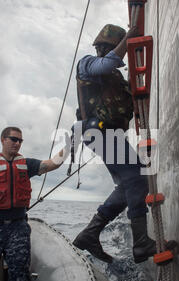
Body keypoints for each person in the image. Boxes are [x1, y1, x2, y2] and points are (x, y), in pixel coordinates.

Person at [72, 24, 157, 264]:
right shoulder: (87, 64)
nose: (103, 50)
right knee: (138, 177)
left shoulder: (116, 79)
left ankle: (89, 234)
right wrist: (129, 40)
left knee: (126, 185)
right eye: (107, 47)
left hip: (108, 135)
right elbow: (107, 64)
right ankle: (140, 242)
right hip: (98, 132)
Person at [0, 126, 70, 281]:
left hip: (18, 228)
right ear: (3, 140)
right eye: (13, 139)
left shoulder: (26, 164)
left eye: (20, 140)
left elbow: (53, 163)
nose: (17, 143)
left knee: (20, 278)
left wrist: (69, 146)